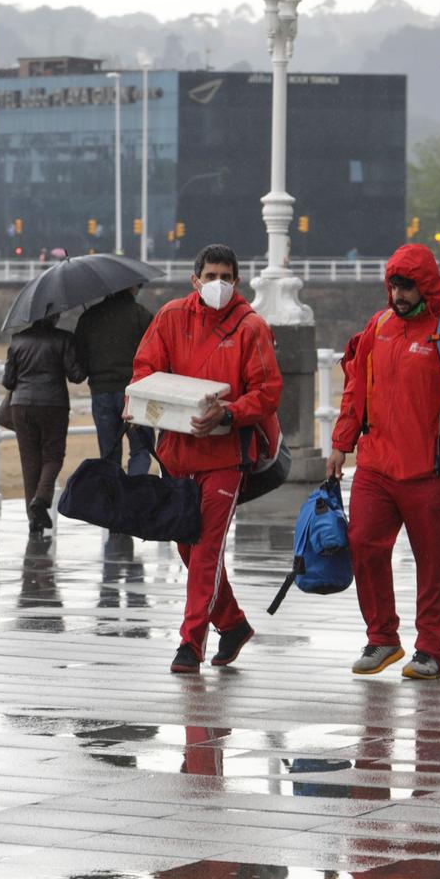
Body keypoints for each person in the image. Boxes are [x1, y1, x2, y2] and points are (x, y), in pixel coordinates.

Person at [327, 244, 440, 680]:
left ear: (427, 287)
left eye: (407, 286)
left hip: (430, 472)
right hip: (376, 467)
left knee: (433, 562)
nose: (398, 294)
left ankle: (430, 649)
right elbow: (355, 390)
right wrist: (341, 443)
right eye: (394, 285)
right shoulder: (377, 327)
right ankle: (382, 638)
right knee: (363, 545)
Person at [129, 243, 283, 674]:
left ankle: (189, 644)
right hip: (176, 455)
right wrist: (138, 400)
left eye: (226, 277)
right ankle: (232, 624)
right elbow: (145, 369)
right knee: (188, 548)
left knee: (206, 550)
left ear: (238, 281)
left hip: (225, 458)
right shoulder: (170, 317)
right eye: (211, 276)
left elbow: (268, 392)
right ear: (194, 280)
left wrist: (230, 412)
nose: (218, 284)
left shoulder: (251, 327)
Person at [1, 315, 84, 535]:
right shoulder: (63, 339)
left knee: (29, 462)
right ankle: (42, 497)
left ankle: (34, 521)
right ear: (55, 316)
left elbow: (8, 381)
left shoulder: (18, 340)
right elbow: (76, 375)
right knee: (53, 456)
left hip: (21, 406)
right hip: (54, 404)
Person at [74, 285, 156, 476]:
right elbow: (155, 351)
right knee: (141, 450)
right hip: (135, 392)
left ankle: (114, 497)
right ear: (132, 287)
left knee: (109, 454)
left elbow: (80, 359)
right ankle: (134, 495)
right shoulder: (140, 315)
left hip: (101, 392)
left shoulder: (89, 317)